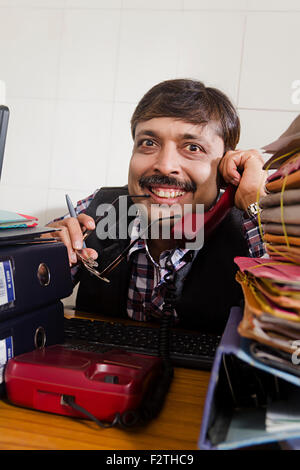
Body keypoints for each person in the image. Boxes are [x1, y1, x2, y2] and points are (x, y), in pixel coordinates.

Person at [47, 79, 267, 334]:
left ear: (227, 169)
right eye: (149, 143)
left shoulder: (250, 226)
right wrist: (44, 254)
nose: (165, 165)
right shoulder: (101, 208)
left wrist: (257, 203)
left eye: (192, 147)